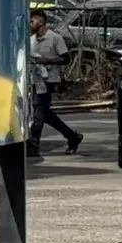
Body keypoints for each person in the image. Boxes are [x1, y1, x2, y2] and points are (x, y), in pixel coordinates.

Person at [28, 10, 82, 157]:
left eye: (33, 21)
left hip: (49, 79)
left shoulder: (54, 38)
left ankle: (33, 144)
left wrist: (48, 61)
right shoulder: (31, 40)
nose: (30, 24)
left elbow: (66, 58)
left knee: (38, 110)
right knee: (44, 113)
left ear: (41, 21)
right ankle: (72, 136)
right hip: (36, 80)